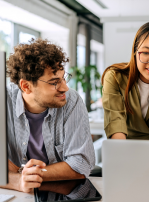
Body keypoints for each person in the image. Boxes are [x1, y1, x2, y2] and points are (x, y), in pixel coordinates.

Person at [1, 38, 95, 193]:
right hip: (15, 195)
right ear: (26, 86)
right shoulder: (3, 101)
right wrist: (18, 182)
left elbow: (81, 163)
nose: (65, 88)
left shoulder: (72, 101)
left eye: (64, 78)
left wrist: (24, 173)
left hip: (62, 194)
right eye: (54, 82)